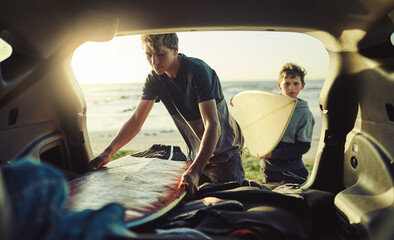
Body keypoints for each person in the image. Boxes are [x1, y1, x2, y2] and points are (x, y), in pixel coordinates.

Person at [88, 33, 245, 195]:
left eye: (161, 54)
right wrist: (108, 152)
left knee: (229, 205)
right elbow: (136, 121)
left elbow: (212, 125)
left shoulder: (198, 71)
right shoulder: (154, 79)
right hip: (196, 156)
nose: (154, 62)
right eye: (148, 55)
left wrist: (195, 171)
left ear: (175, 49)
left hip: (225, 155)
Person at [258, 63, 315, 185]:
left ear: (302, 86)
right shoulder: (270, 106)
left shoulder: (304, 113)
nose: (291, 88)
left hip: (293, 170)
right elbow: (253, 120)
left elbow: (303, 146)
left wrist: (273, 154)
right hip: (268, 169)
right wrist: (238, 105)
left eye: (296, 84)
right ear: (279, 85)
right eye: (287, 84)